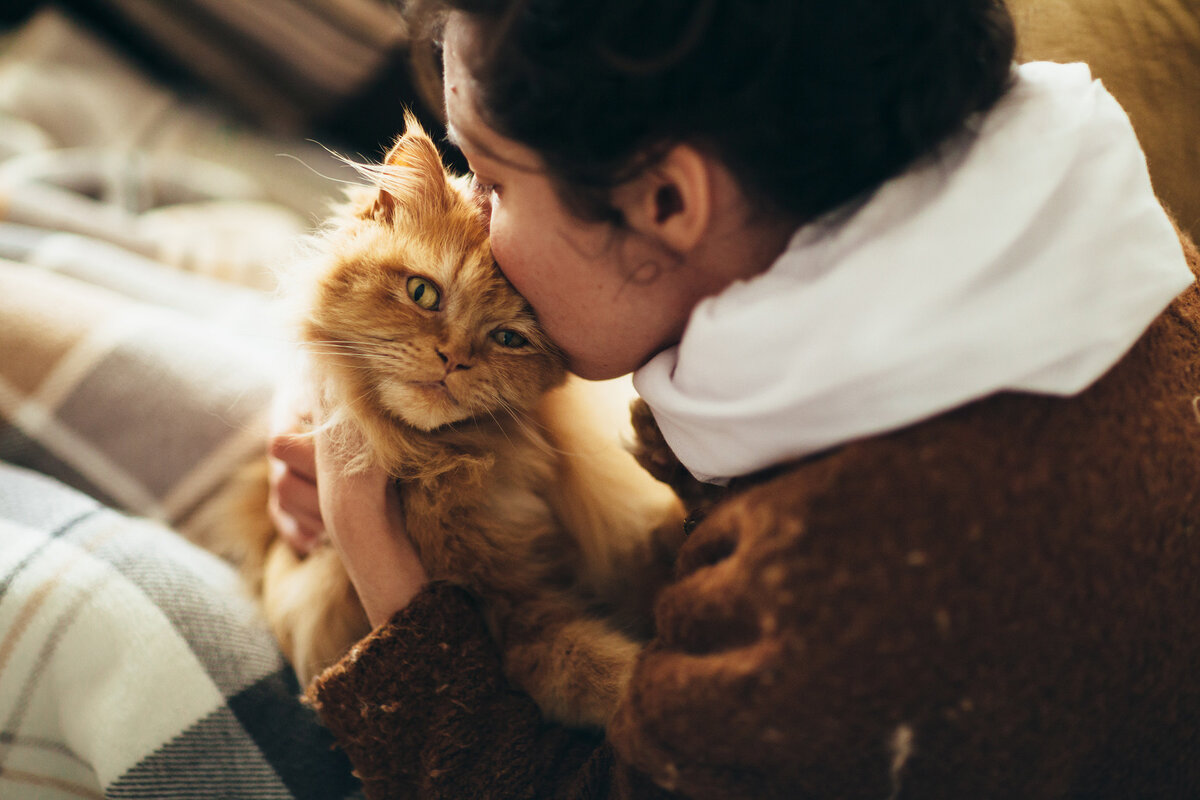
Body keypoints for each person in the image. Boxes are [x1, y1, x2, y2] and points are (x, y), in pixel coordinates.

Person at [268, 0, 1200, 797]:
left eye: (497, 184)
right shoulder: (1089, 234)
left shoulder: (832, 592)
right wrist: (357, 368)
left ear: (668, 201)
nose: (474, 218)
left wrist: (371, 535)